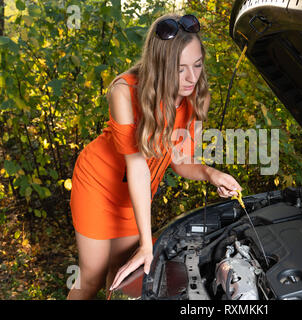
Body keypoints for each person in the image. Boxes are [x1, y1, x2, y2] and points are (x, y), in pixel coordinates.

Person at [67, 13, 242, 300]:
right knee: (92, 277)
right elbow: (137, 167)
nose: (191, 78)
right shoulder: (124, 91)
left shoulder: (198, 97)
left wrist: (212, 174)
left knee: (122, 275)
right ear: (159, 65)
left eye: (197, 65)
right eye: (180, 68)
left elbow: (181, 160)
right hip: (98, 186)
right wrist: (147, 244)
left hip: (135, 196)